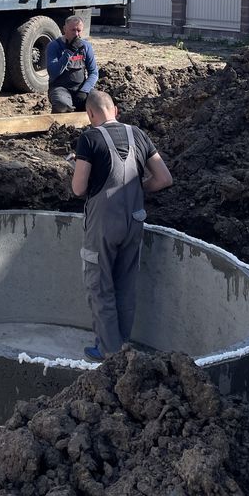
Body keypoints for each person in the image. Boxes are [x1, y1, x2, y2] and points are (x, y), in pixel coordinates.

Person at [71, 90, 173, 361]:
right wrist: (136, 189)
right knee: (125, 285)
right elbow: (163, 178)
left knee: (100, 286)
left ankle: (108, 352)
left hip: (104, 224)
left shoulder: (89, 138)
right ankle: (123, 348)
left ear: (90, 114)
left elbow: (79, 188)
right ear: (115, 110)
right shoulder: (138, 134)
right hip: (135, 220)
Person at [46, 16, 98, 113]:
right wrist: (69, 52)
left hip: (80, 87)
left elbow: (94, 73)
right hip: (60, 88)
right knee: (62, 105)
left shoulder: (86, 47)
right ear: (64, 29)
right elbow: (53, 72)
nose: (76, 34)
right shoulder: (54, 46)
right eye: (73, 30)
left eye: (79, 30)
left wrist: (84, 90)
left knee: (98, 102)